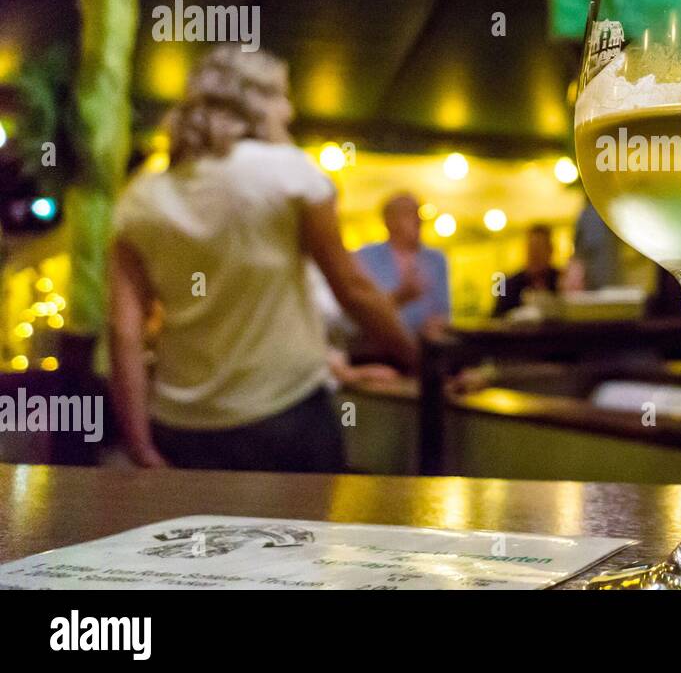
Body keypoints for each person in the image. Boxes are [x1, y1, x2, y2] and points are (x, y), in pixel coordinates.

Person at [109, 46, 418, 472]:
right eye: (281, 97)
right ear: (255, 104)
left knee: (196, 541)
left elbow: (124, 330)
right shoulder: (290, 173)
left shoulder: (141, 198)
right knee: (305, 540)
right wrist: (420, 361)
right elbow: (354, 289)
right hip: (286, 420)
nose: (288, 111)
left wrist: (139, 445)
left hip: (181, 427)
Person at [355, 193, 451, 340]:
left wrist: (437, 324)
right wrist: (400, 297)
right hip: (380, 345)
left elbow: (443, 310)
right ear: (389, 221)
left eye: (418, 213)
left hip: (427, 346)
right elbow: (361, 310)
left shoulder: (436, 259)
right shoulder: (366, 257)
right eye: (408, 213)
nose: (418, 220)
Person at [492, 224, 560, 316]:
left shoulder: (562, 282)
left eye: (539, 249)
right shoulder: (507, 284)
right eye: (532, 248)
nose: (535, 255)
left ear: (550, 250)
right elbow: (496, 319)